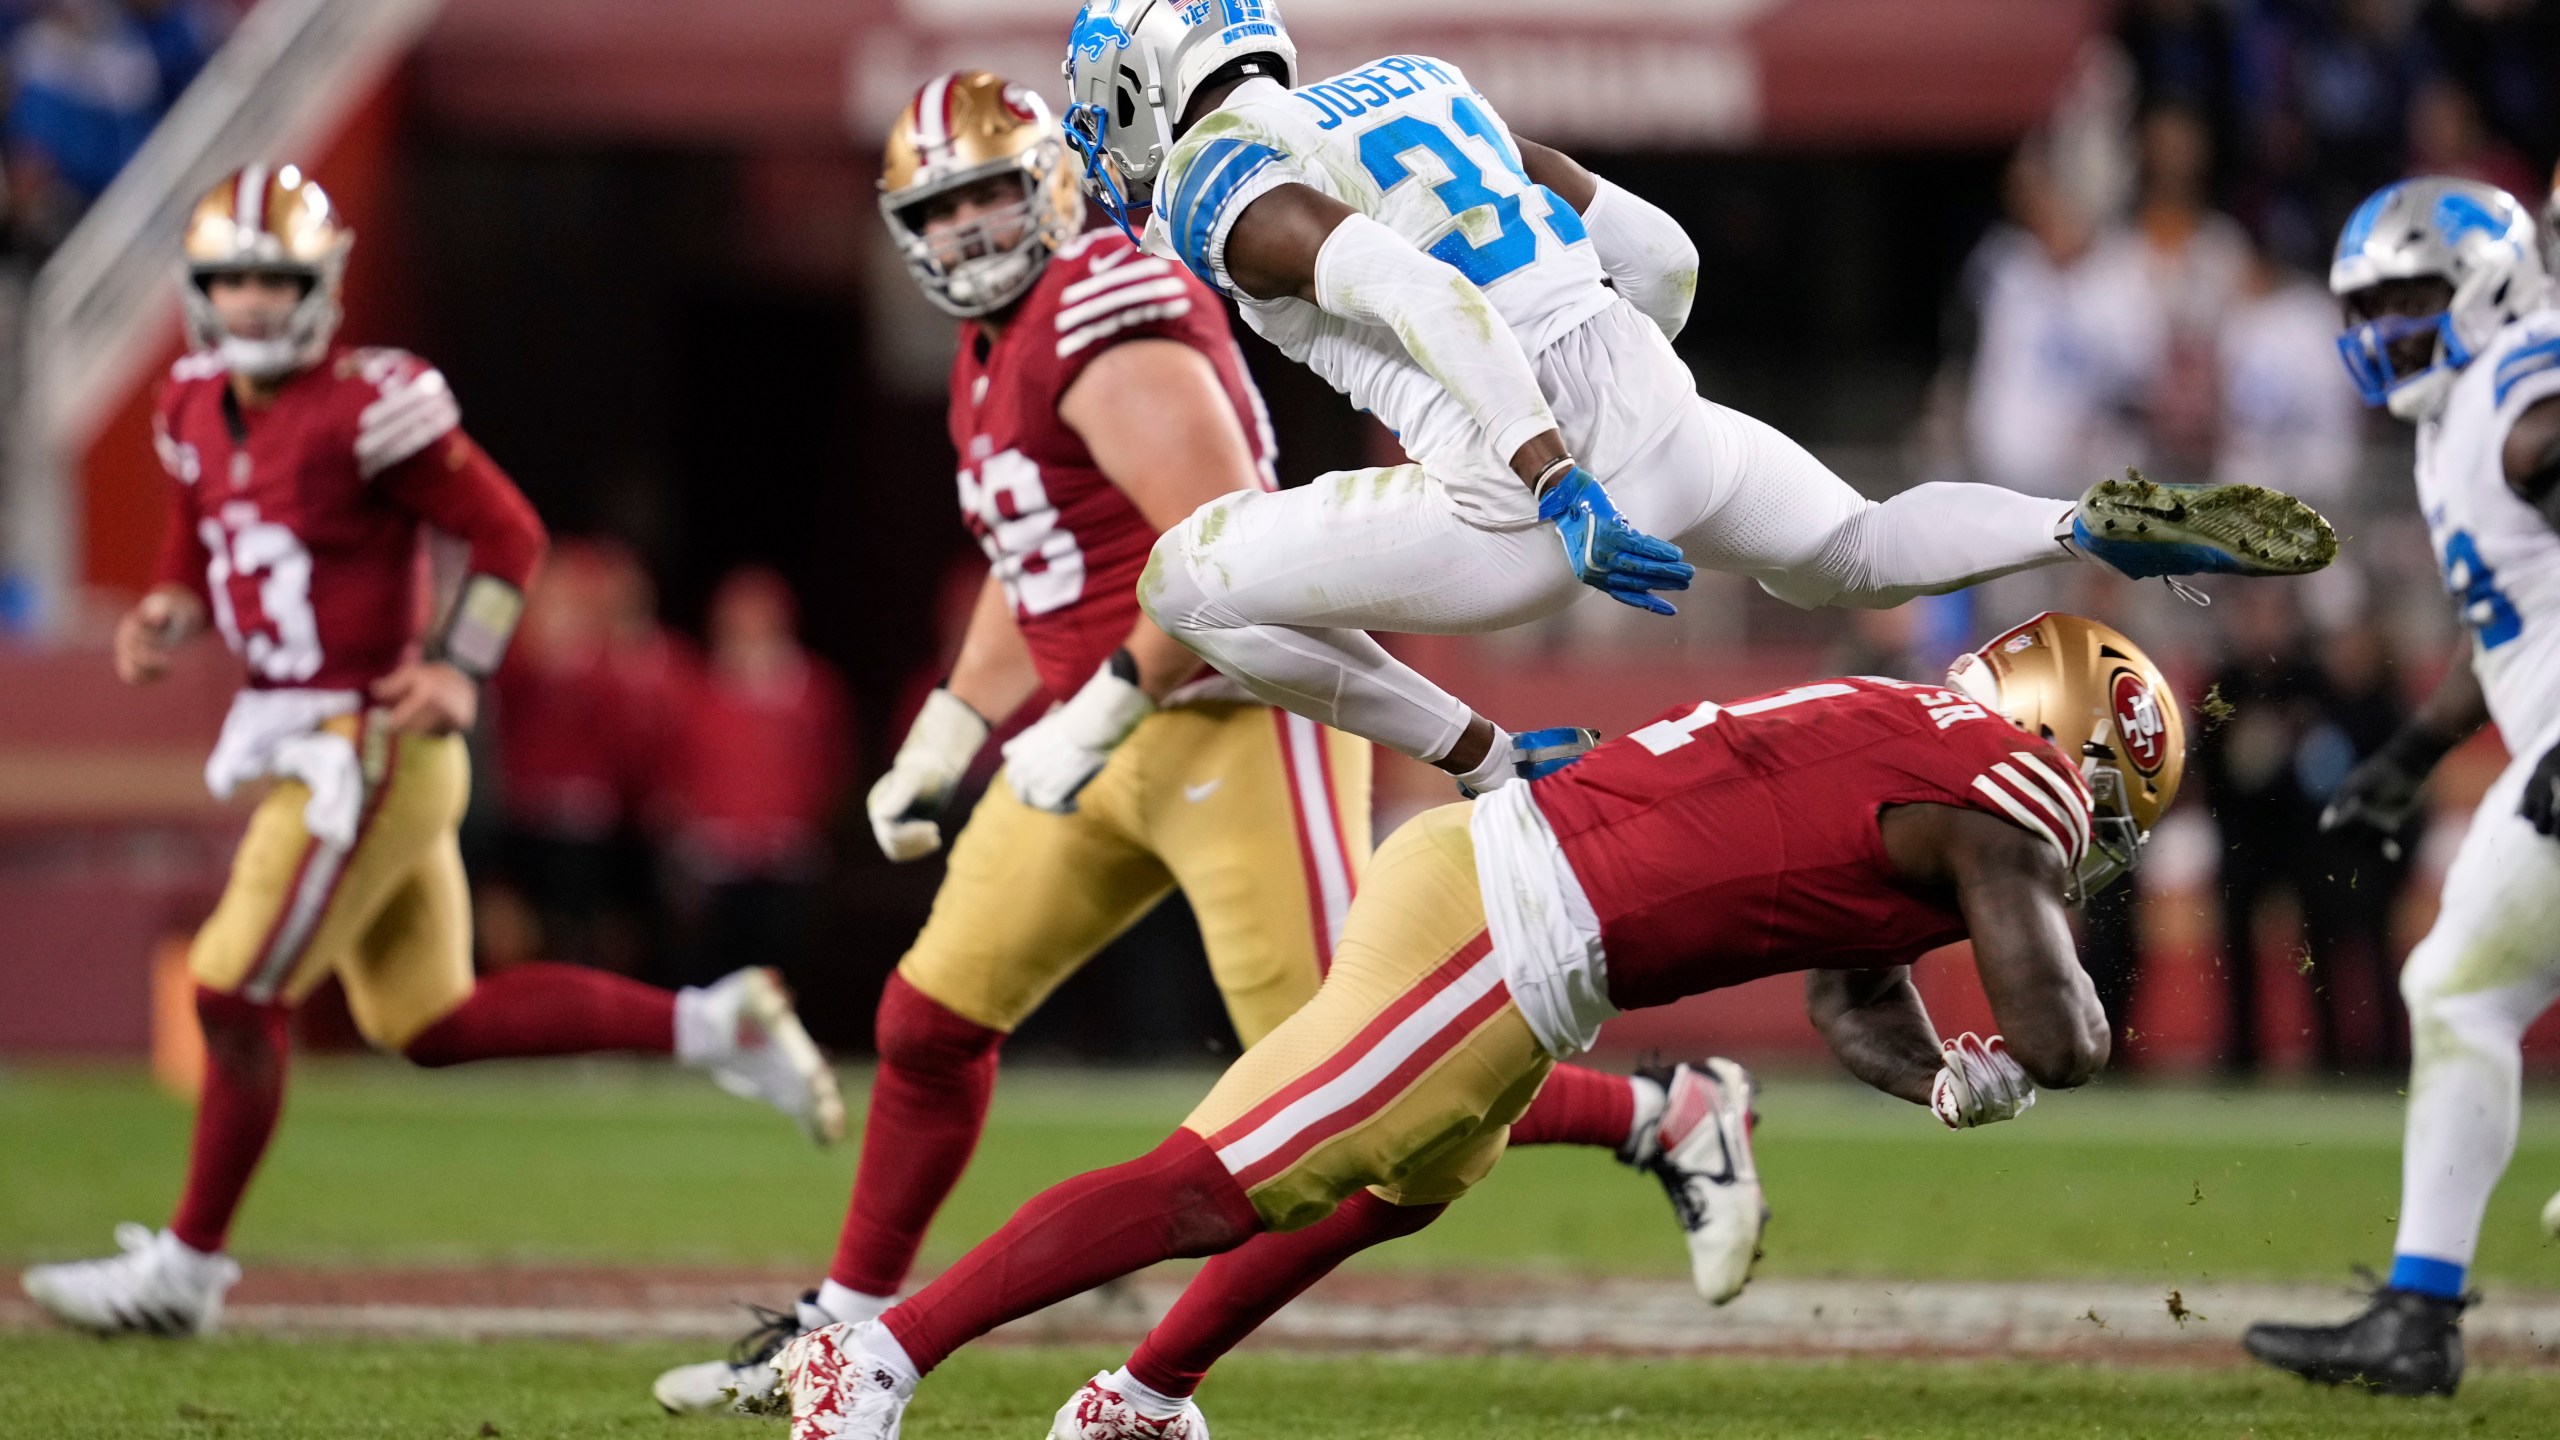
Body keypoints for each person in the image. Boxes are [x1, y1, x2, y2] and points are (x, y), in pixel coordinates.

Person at [648, 72, 1756, 1415]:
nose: (969, 230)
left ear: (1052, 182)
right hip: (1097, 741)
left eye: (993, 192)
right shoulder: (994, 347)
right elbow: (1037, 560)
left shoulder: (1107, 314)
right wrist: (949, 728)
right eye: (941, 209)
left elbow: (1221, 566)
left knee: (1371, 1112)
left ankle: (1663, 1113)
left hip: (1234, 730)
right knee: (928, 1022)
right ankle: (841, 1325)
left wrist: (1077, 706)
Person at [766, 611, 2184, 1440]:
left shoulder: (1915, 746)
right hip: (1512, 925)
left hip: (1516, 907)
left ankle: (1142, 1400)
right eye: (2109, 803)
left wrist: (1945, 1079)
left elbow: (1851, 995)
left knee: (1406, 1185)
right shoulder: (2003, 781)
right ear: (2068, 744)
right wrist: (2024, 1063)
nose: (2091, 843)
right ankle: (878, 1356)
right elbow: (2065, 1035)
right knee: (1217, 1186)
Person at [1054, 0, 2332, 799]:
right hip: (1651, 398)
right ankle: (2078, 522)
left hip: (1520, 491)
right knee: (1859, 550)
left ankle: (1488, 764)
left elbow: (1420, 298)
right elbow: (1662, 250)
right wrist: (1628, 374)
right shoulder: (1424, 82)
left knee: (1186, 584)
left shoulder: (1216, 176)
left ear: (1147, 90)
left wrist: (1560, 475)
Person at [16, 166, 843, 1340]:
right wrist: (169, 608)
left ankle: (187, 1271)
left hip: (374, 743)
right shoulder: (194, 401)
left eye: (275, 279)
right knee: (432, 1021)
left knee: (230, 987)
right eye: (233, 279)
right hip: (309, 739)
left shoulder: (369, 408)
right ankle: (718, 1026)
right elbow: (198, 538)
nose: (252, 302)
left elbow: (508, 536)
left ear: (322, 284)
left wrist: (459, 663)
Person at [2243, 177, 2560, 1397]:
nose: (2388, 330)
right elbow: (2509, 630)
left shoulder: (2521, 390)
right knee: (2459, 987)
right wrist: (2408, 758)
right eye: (2371, 306)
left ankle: (2416, 1322)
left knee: (2457, 988)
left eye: (2414, 296)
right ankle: (2415, 1317)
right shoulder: (2465, 417)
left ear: (2487, 280)